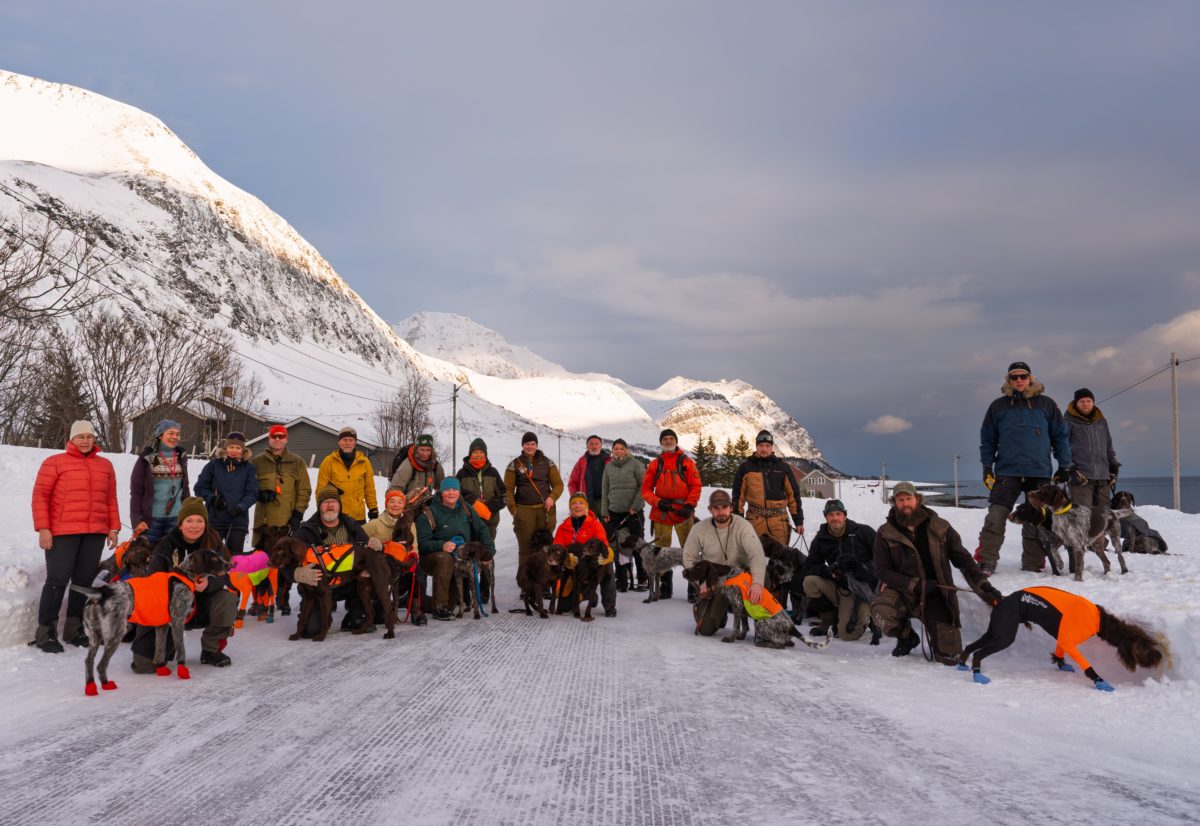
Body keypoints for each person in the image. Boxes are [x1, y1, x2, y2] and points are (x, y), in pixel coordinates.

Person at [872, 482, 1002, 665]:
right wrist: (915, 584)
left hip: (937, 593)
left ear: (918, 499)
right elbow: (882, 570)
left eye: (908, 498)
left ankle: (938, 636)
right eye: (900, 500)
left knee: (949, 658)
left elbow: (964, 560)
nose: (905, 504)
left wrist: (984, 586)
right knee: (881, 613)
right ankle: (906, 637)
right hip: (903, 591)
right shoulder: (885, 532)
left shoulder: (940, 527)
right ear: (895, 502)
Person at [959, 587, 1166, 689]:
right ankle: (976, 663)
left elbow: (1064, 637)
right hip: (1013, 606)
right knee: (1002, 639)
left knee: (992, 636)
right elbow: (1067, 642)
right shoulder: (1087, 624)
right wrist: (1095, 677)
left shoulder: (1092, 612)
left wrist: (1059, 659)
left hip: (1016, 602)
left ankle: (964, 655)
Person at [30, 420, 120, 652]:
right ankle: (46, 634)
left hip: (94, 532)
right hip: (62, 531)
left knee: (83, 581)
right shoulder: (55, 462)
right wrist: (43, 528)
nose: (85, 441)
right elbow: (40, 496)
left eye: (89, 437)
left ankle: (74, 629)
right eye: (80, 437)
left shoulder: (105, 465)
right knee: (57, 579)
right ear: (71, 439)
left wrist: (113, 527)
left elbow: (110, 499)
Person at [976, 362, 1072, 575]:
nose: (1019, 380)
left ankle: (1032, 563)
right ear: (1008, 380)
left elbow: (1060, 436)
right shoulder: (997, 406)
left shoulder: (1046, 404)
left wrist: (1065, 465)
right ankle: (986, 561)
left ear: (1030, 378)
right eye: (1014, 377)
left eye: (1023, 376)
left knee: (1036, 519)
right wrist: (987, 467)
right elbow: (988, 439)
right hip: (1006, 472)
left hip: (1038, 471)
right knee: (995, 516)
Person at [130, 497, 237, 672]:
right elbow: (152, 580)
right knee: (144, 665)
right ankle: (164, 646)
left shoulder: (214, 542)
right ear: (180, 525)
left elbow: (225, 576)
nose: (194, 526)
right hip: (168, 609)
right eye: (189, 520)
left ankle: (211, 649)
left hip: (200, 605)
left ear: (205, 524)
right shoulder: (166, 545)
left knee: (227, 599)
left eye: (200, 521)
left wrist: (209, 583)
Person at [290, 484, 374, 634]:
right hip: (318, 587)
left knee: (371, 580)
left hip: (349, 582)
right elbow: (285, 559)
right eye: (325, 502)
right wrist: (296, 573)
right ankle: (316, 615)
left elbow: (367, 551)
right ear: (319, 506)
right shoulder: (306, 531)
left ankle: (355, 615)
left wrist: (375, 546)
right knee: (311, 630)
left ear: (339, 505)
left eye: (334, 501)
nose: (330, 505)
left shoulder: (352, 526)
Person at [683, 490, 768, 637]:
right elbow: (689, 558)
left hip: (742, 580)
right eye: (716, 508)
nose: (720, 512)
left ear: (731, 508)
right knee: (705, 630)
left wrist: (757, 583)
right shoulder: (699, 529)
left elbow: (757, 555)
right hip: (715, 582)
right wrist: (701, 582)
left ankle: (762, 627)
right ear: (710, 509)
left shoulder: (743, 526)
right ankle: (719, 612)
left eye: (724, 507)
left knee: (764, 584)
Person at [252, 424, 312, 615]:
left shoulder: (297, 462)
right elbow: (247, 487)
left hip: (286, 523)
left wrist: (298, 514)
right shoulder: (257, 462)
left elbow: (304, 490)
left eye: (281, 436)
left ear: (286, 439)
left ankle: (282, 599)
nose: (277, 439)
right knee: (261, 562)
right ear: (269, 439)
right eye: (274, 436)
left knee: (284, 561)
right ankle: (261, 601)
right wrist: (258, 494)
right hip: (264, 523)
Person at [416, 477, 496, 621]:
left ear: (459, 492)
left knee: (451, 605)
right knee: (445, 559)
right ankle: (439, 608)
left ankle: (425, 602)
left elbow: (482, 529)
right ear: (441, 492)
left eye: (454, 490)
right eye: (447, 490)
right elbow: (423, 544)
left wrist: (489, 551)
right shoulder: (429, 513)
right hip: (433, 558)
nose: (451, 493)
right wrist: (442, 545)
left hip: (459, 557)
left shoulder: (466, 508)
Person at [800, 499, 879, 642]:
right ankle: (829, 621)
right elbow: (809, 567)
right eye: (830, 515)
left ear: (845, 515)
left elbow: (883, 557)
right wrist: (826, 571)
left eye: (838, 514)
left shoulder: (863, 531)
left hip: (864, 590)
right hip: (841, 588)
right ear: (825, 517)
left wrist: (863, 569)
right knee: (810, 582)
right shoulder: (821, 539)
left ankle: (870, 616)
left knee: (848, 635)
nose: (835, 518)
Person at [641, 428, 702, 599]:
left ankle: (693, 589)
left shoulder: (687, 462)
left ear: (676, 441)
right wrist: (658, 502)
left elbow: (696, 486)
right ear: (661, 443)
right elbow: (645, 490)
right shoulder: (655, 464)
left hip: (683, 513)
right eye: (665, 439)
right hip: (662, 512)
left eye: (671, 438)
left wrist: (689, 505)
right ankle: (665, 587)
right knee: (661, 551)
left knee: (689, 549)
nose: (668, 441)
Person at [1064, 388, 1121, 555]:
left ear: (1093, 402)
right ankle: (1079, 548)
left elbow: (1108, 445)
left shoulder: (1101, 421)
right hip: (1081, 475)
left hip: (1102, 475)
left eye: (1089, 401)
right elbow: (1062, 447)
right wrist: (1070, 468)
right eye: (1082, 401)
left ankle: (1099, 545)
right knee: (1081, 515)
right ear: (1076, 403)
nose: (1086, 404)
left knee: (1102, 515)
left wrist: (1113, 467)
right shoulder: (1068, 421)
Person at [504, 431, 564, 577]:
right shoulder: (514, 464)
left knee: (546, 547)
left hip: (545, 510)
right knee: (525, 548)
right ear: (522, 445)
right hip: (523, 510)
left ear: (536, 445)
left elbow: (558, 484)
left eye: (533, 444)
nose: (530, 447)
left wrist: (552, 498)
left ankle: (545, 579)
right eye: (527, 444)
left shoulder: (548, 463)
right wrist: (513, 509)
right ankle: (525, 580)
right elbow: (507, 489)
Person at [731, 430, 804, 546]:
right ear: (756, 447)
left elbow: (793, 496)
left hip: (779, 523)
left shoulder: (783, 468)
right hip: (754, 521)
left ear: (772, 447)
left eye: (767, 446)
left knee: (781, 555)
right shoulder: (746, 468)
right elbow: (738, 497)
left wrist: (798, 521)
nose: (764, 449)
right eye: (761, 445)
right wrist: (738, 521)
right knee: (753, 554)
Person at [194, 432, 259, 553]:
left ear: (243, 450)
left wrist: (240, 507)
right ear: (226, 448)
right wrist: (213, 499)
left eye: (238, 448)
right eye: (231, 447)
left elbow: (253, 493)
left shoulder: (249, 469)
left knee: (235, 558)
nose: (234, 450)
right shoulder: (213, 465)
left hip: (237, 521)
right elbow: (199, 488)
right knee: (211, 555)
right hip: (215, 519)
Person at [554, 492, 617, 617]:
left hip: (591, 564)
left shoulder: (595, 525)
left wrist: (606, 556)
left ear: (586, 507)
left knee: (608, 567)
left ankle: (609, 606)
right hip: (572, 569)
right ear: (570, 507)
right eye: (574, 503)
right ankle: (589, 595)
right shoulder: (562, 528)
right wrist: (567, 560)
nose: (577, 506)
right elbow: (556, 549)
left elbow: (604, 544)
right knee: (564, 606)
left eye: (581, 503)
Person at [130, 419, 190, 546]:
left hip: (176, 518)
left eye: (177, 434)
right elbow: (136, 492)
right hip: (151, 519)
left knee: (170, 554)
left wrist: (188, 513)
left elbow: (185, 488)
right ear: (160, 435)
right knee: (147, 553)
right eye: (171, 433)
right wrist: (136, 520)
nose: (175, 437)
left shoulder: (181, 456)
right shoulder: (148, 458)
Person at [600, 438, 648, 592]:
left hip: (633, 513)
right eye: (616, 448)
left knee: (637, 545)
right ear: (612, 450)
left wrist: (636, 505)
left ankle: (642, 578)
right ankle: (622, 578)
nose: (619, 451)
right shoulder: (608, 467)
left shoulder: (636, 464)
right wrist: (605, 511)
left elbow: (644, 486)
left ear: (626, 450)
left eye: (622, 448)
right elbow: (605, 489)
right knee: (618, 546)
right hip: (615, 513)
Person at [316, 426, 379, 523]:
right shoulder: (329, 462)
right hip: (336, 515)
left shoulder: (364, 462)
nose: (348, 443)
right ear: (339, 442)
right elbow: (321, 489)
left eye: (351, 440)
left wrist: (373, 508)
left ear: (355, 442)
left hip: (358, 517)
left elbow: (369, 489)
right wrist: (322, 510)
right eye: (344, 440)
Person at [456, 437, 506, 541]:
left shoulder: (493, 472)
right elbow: (455, 494)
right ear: (470, 454)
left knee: (487, 549)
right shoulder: (462, 473)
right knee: (468, 549)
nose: (478, 455)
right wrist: (471, 500)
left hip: (490, 522)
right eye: (475, 452)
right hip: (467, 522)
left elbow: (504, 495)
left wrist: (492, 505)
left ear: (485, 454)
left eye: (481, 452)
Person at [390, 433, 445, 498]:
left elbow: (443, 489)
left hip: (428, 502)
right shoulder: (407, 466)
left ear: (432, 451)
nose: (425, 453)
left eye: (428, 450)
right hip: (408, 503)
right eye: (422, 450)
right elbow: (394, 489)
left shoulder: (436, 466)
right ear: (416, 449)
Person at [567, 435, 610, 515]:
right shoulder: (581, 462)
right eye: (591, 444)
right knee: (588, 523)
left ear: (601, 445)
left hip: (606, 503)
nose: (594, 446)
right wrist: (577, 499)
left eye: (596, 444)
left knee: (608, 523)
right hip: (587, 503)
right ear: (587, 446)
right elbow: (572, 483)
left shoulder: (609, 461)